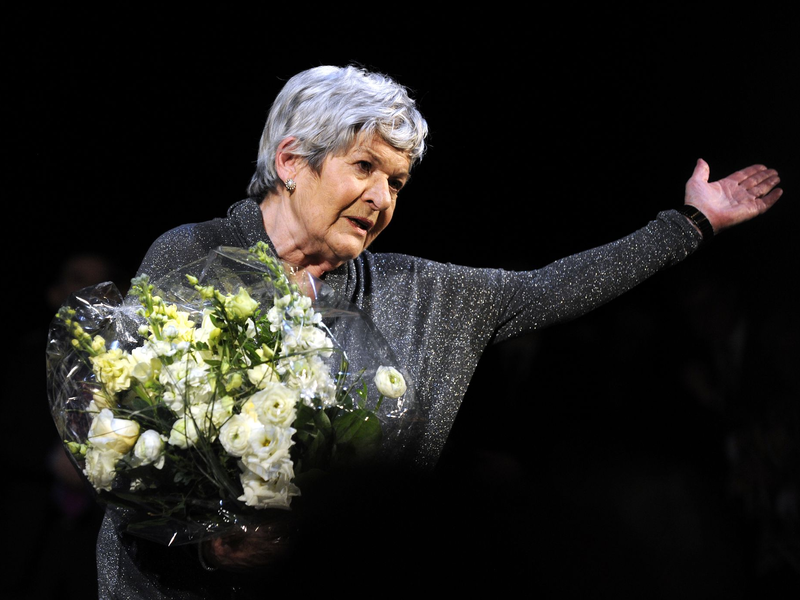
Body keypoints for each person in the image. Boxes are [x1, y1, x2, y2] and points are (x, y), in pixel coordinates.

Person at [94, 64, 782, 598]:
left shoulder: (419, 293)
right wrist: (210, 540)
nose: (381, 198)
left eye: (396, 181)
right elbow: (121, 427)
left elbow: (550, 286)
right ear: (291, 162)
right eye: (363, 168)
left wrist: (687, 227)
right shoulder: (197, 255)